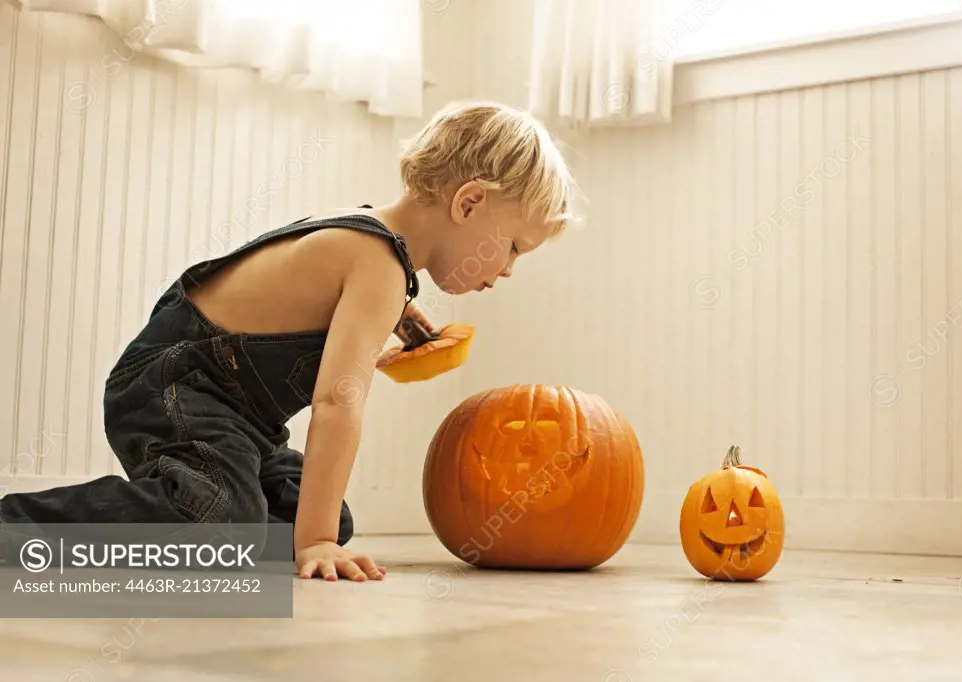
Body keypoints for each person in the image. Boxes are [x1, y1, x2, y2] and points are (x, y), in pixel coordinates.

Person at [0, 101, 579, 583]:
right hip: (177, 386)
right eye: (514, 247)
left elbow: (328, 299)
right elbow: (336, 403)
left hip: (236, 418)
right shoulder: (376, 263)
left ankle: (225, 528)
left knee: (317, 512)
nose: (506, 269)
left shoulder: (377, 255)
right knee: (224, 519)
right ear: (469, 202)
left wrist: (403, 321)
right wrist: (317, 543)